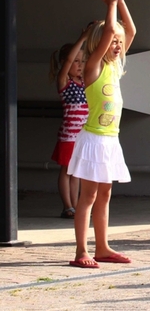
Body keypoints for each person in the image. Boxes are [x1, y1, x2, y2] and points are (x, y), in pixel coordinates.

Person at [67, 0, 136, 269]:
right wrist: (111, 6)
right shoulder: (94, 67)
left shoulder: (115, 67)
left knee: (105, 194)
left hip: (110, 140)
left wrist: (122, 2)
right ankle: (81, 250)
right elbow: (109, 31)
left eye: (120, 42)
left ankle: (103, 247)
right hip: (93, 140)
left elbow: (130, 31)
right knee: (89, 196)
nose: (118, 45)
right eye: (113, 42)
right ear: (100, 44)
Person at [49, 28, 91, 219]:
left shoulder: (83, 82)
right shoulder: (64, 81)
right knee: (66, 170)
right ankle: (67, 206)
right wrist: (82, 38)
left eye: (82, 61)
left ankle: (75, 206)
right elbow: (67, 62)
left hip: (82, 136)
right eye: (76, 61)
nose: (79, 65)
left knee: (76, 173)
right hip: (69, 136)